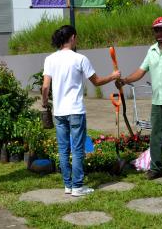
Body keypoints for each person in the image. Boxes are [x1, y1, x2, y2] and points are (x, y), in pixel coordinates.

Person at [42, 25, 121, 197]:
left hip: (59, 111)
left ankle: (68, 185)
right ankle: (78, 186)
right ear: (72, 38)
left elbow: (45, 87)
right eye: (76, 38)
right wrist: (113, 76)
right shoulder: (80, 59)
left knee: (63, 150)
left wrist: (44, 104)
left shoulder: (50, 59)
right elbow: (97, 81)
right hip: (75, 110)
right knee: (77, 150)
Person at [117, 16, 162, 182]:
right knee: (156, 137)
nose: (159, 33)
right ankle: (156, 168)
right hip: (157, 101)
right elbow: (140, 71)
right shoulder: (151, 50)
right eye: (156, 30)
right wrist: (125, 80)